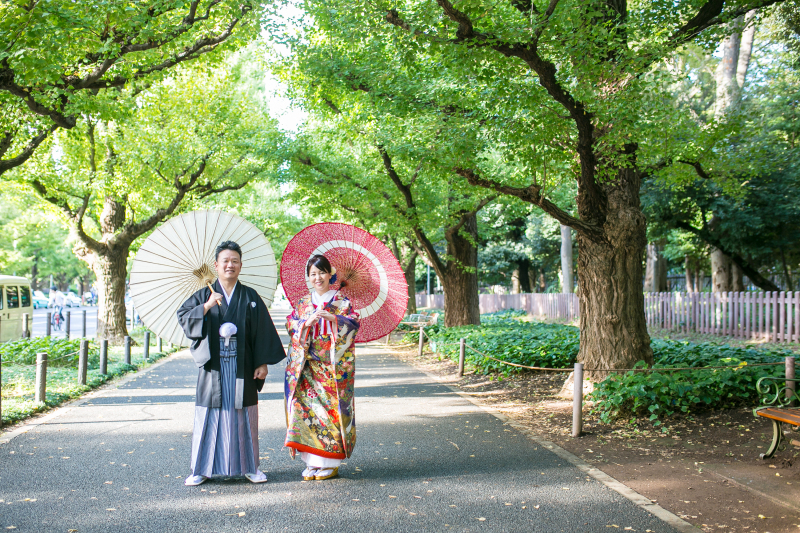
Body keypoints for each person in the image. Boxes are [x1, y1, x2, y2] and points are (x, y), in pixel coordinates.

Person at [177, 241, 286, 486]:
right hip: (213, 368)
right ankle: (201, 469)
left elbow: (262, 330)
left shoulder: (249, 296)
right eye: (225, 261)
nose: (230, 265)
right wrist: (206, 306)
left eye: (234, 261)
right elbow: (183, 317)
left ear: (240, 265)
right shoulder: (204, 295)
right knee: (208, 415)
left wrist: (262, 363)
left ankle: (250, 467)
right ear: (216, 265)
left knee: (244, 415)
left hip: (242, 366)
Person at [284, 254, 360, 481]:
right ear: (308, 277)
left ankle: (330, 463)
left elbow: (353, 324)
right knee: (306, 411)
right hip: (307, 366)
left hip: (332, 368)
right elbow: (291, 324)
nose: (318, 278)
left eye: (322, 273)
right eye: (313, 274)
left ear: (330, 274)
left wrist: (335, 319)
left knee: (330, 414)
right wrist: (304, 324)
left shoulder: (342, 302)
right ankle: (312, 462)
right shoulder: (303, 303)